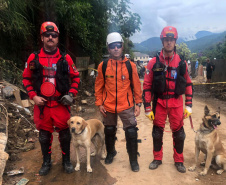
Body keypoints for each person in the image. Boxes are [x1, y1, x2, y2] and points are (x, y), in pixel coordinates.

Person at [22, 21, 80, 175]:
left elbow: (76, 77)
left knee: (65, 135)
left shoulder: (65, 58)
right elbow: (26, 79)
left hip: (61, 104)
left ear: (57, 38)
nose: (50, 37)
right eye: (47, 35)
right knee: (43, 136)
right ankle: (46, 163)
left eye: (53, 35)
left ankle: (66, 161)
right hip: (42, 106)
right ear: (42, 37)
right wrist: (33, 97)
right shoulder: (33, 58)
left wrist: (71, 94)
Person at [143, 26, 193, 173]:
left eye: (171, 40)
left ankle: (179, 161)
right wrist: (147, 107)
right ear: (162, 41)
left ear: (175, 41)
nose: (169, 42)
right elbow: (147, 85)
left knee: (179, 133)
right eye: (166, 39)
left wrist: (189, 105)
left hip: (176, 102)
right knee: (157, 132)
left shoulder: (181, 62)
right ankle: (157, 158)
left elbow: (188, 83)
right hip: (159, 102)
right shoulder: (153, 62)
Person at [95, 32, 142, 172]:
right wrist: (99, 103)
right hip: (108, 105)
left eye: (118, 45)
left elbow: (137, 85)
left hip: (126, 105)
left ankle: (133, 160)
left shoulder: (130, 66)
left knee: (132, 131)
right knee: (109, 130)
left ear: (122, 47)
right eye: (112, 46)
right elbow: (99, 86)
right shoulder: (103, 66)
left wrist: (138, 103)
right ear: (108, 48)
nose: (116, 48)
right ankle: (111, 153)